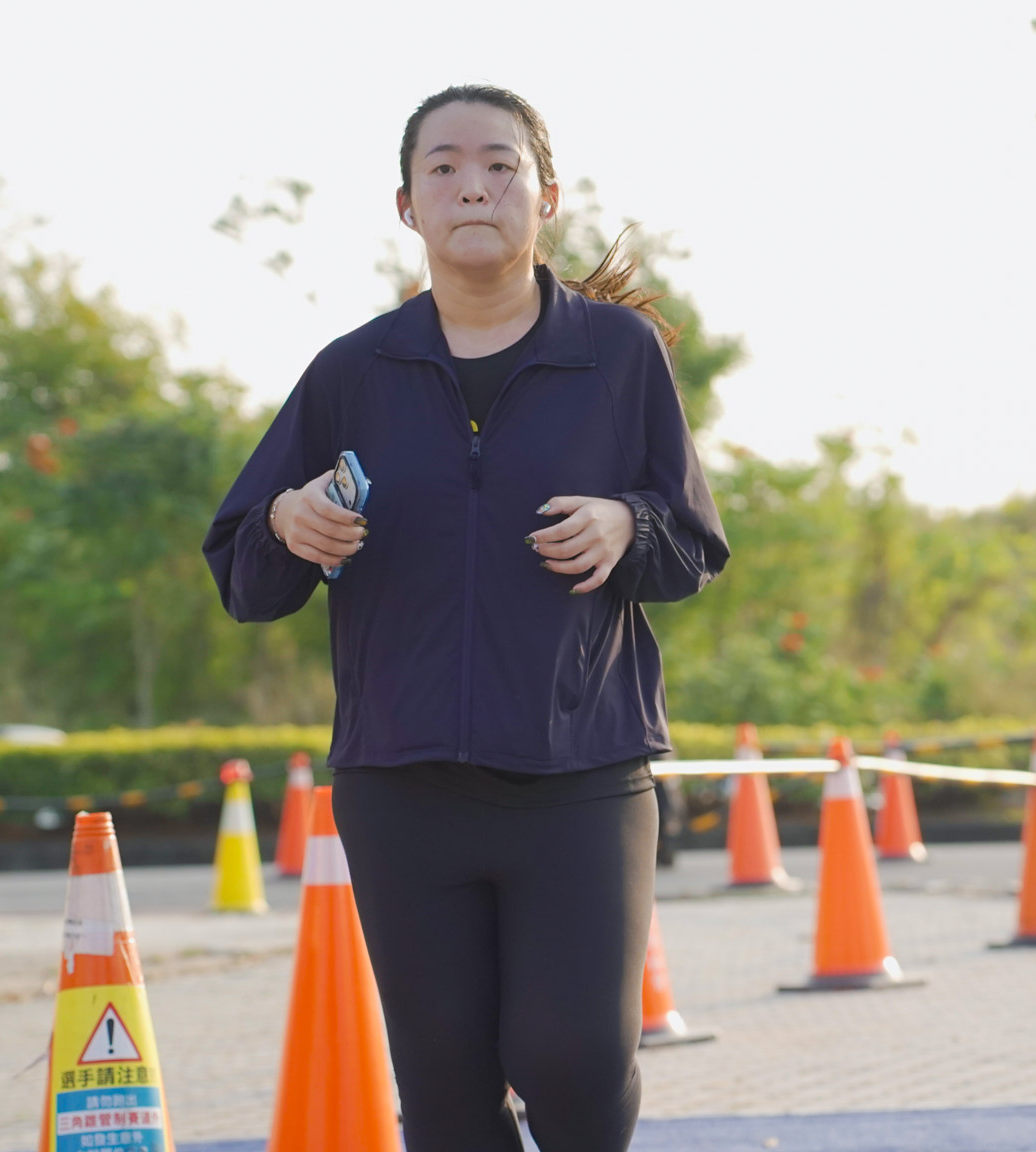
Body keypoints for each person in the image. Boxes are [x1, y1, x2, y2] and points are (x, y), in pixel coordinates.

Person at [203, 84, 728, 1152]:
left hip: (581, 776)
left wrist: (628, 523)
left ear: (547, 197)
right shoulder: (353, 371)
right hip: (403, 787)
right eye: (441, 167)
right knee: (444, 1092)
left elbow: (692, 548)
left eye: (499, 163)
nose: (472, 185)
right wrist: (288, 521)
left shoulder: (618, 357)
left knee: (573, 1059)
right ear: (407, 206)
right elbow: (246, 579)